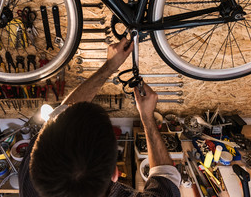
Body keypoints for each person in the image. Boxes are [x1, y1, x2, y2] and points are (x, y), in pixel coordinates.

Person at [19, 38, 181, 197]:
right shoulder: (35, 167)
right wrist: (147, 118)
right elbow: (166, 177)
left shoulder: (33, 175)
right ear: (115, 174)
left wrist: (109, 66)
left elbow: (61, 115)